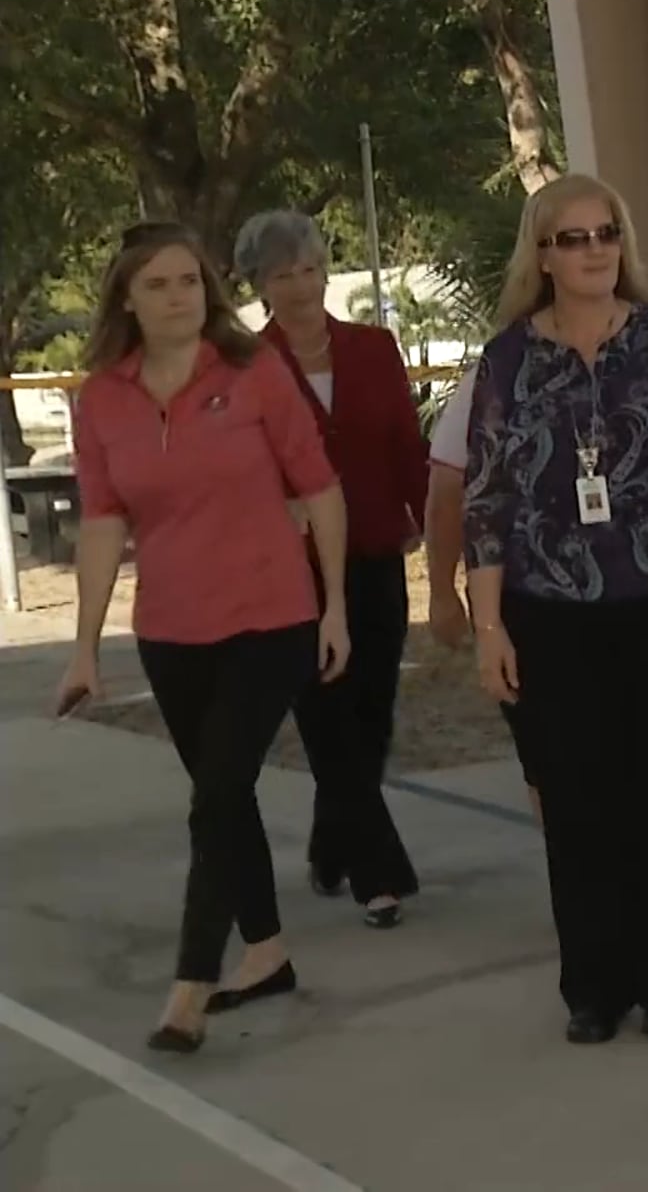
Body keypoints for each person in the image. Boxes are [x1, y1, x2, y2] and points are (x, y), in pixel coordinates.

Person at [463, 173, 648, 1046]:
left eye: (606, 234)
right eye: (575, 238)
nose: (595, 251)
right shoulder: (508, 360)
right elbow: (488, 499)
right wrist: (488, 626)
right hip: (551, 611)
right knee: (578, 804)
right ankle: (595, 985)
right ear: (543, 255)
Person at [54, 222, 351, 1053]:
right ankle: (266, 951)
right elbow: (103, 523)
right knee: (227, 797)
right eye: (156, 284)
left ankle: (189, 986)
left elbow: (320, 488)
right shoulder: (101, 399)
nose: (177, 296)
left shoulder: (253, 372)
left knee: (215, 797)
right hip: (171, 630)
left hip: (271, 618)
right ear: (126, 299)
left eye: (189, 281)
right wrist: (85, 649)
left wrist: (334, 608)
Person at [237, 210, 426, 929]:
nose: (301, 285)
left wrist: (428, 524)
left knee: (371, 714)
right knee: (326, 717)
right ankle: (379, 874)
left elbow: (406, 443)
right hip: (290, 568)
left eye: (311, 269)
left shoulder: (373, 349)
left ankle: (331, 839)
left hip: (375, 549)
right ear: (260, 284)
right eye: (283, 274)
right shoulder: (246, 363)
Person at [426, 359, 541, 826]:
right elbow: (447, 488)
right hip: (526, 602)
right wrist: (441, 591)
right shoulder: (495, 375)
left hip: (637, 597)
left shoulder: (643, 359)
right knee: (548, 752)